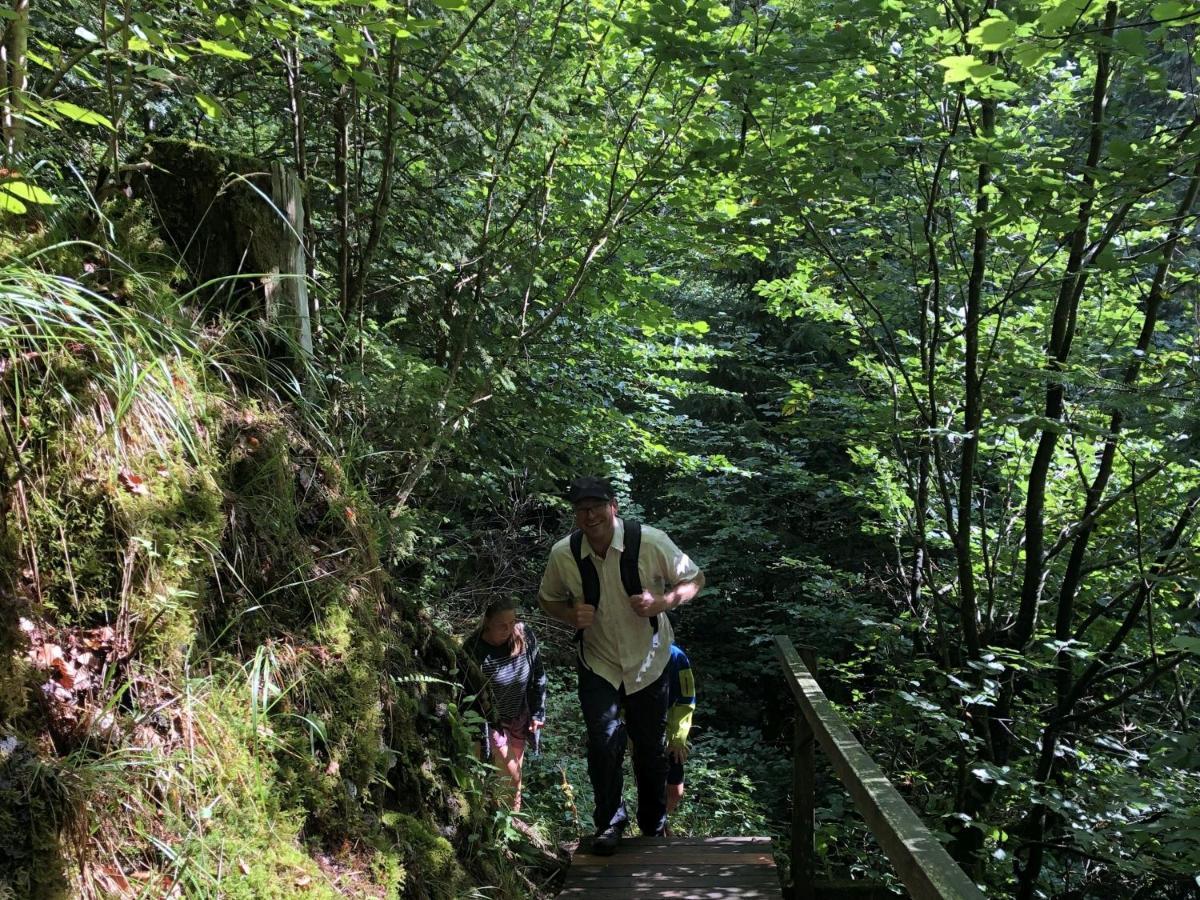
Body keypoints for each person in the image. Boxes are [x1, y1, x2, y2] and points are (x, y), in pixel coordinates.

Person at [538, 476, 705, 855]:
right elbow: (548, 600)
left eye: (596, 506)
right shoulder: (564, 554)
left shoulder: (650, 541)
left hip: (650, 660)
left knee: (648, 748)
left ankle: (653, 826)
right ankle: (610, 823)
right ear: (575, 515)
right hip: (598, 661)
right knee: (603, 742)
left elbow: (696, 578)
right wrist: (569, 615)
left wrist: (664, 601)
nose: (590, 515)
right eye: (582, 509)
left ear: (613, 506)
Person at [463, 597, 547, 812]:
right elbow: (466, 693)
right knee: (512, 775)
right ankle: (492, 823)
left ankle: (510, 826)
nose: (508, 629)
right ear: (488, 622)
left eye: (512, 622)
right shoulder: (474, 649)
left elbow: (538, 675)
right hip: (491, 722)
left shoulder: (524, 635)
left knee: (514, 783)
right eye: (502, 624)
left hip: (519, 717)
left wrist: (538, 713)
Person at [664, 642, 696, 832]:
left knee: (676, 791)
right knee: (650, 785)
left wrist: (677, 739)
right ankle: (655, 829)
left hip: (671, 730)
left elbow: (687, 698)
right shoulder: (630, 651)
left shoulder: (677, 656)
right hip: (643, 727)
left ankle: (662, 819)